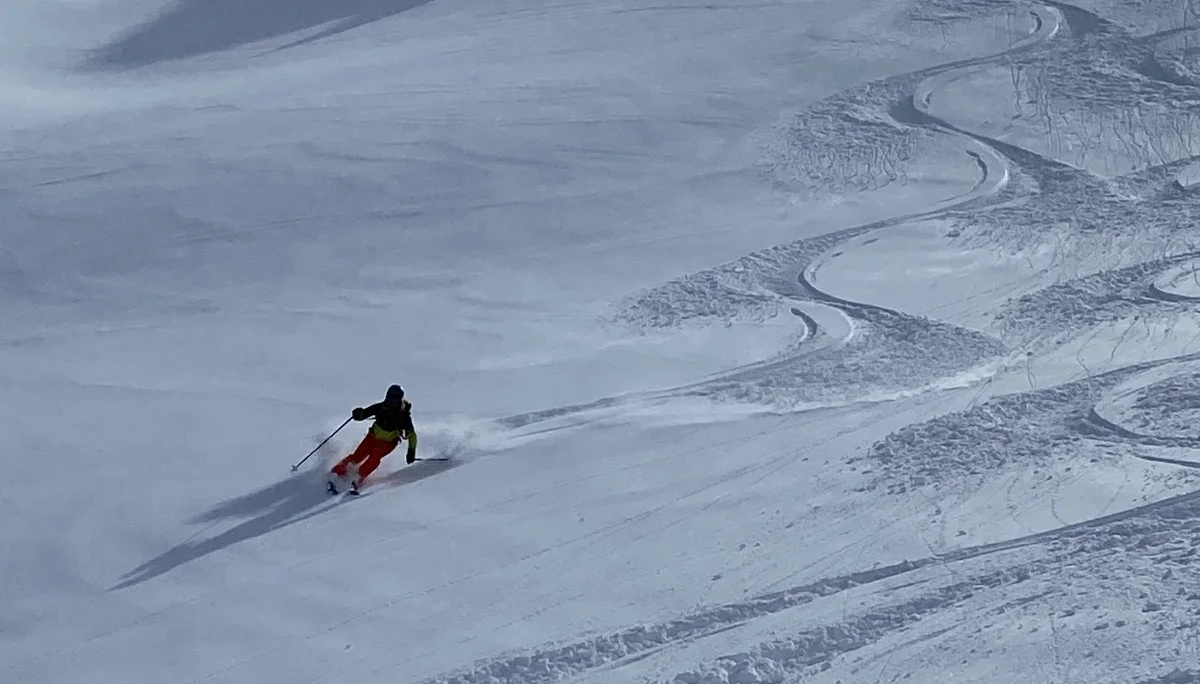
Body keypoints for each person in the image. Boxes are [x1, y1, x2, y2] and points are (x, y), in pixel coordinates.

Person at [328, 384, 418, 492]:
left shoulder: (403, 416)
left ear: (399, 401)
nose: (390, 403)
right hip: (372, 437)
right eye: (388, 399)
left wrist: (411, 451)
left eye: (393, 401)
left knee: (375, 456)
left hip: (388, 443)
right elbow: (364, 414)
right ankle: (337, 471)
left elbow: (412, 435)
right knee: (358, 455)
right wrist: (358, 414)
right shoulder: (380, 407)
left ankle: (358, 477)